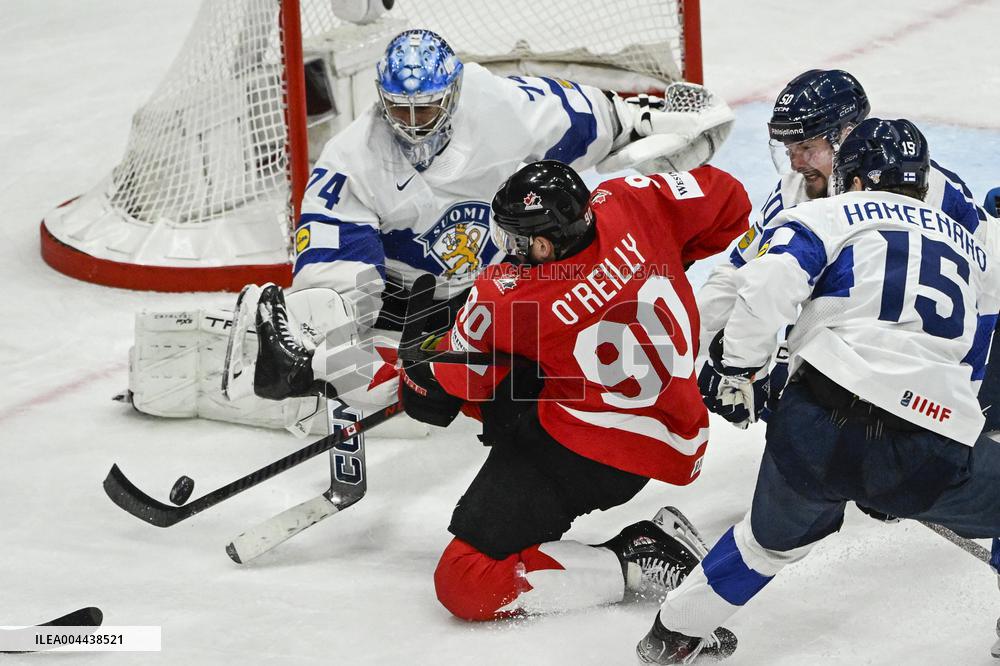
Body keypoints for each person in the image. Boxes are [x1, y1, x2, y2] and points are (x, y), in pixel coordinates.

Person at [128, 28, 733, 433]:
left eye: (427, 107)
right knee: (330, 379)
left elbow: (614, 120)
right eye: (401, 109)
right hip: (405, 311)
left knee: (543, 378)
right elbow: (338, 281)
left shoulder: (509, 107)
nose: (414, 124)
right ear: (382, 102)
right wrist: (344, 354)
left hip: (494, 290)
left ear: (455, 93)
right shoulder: (351, 163)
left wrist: (671, 128)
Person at [635, 118, 1000, 663]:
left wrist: (739, 369)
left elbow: (765, 286)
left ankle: (671, 636)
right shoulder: (970, 247)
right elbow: (975, 346)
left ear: (851, 179)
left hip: (816, 424)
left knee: (762, 546)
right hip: (927, 436)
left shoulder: (822, 213)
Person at [391, 160, 753, 620]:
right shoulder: (629, 200)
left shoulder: (503, 300)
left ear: (543, 244)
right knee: (526, 374)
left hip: (582, 447)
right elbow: (731, 202)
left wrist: (416, 379)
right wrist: (663, 254)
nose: (510, 250)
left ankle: (635, 558)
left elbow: (455, 386)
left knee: (466, 579)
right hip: (672, 429)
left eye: (516, 240)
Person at [696, 68, 991, 429]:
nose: (795, 162)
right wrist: (707, 366)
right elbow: (735, 274)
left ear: (847, 135)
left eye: (807, 147)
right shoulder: (796, 189)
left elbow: (986, 291)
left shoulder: (932, 193)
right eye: (790, 149)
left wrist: (967, 397)